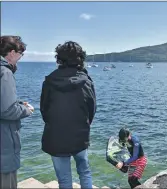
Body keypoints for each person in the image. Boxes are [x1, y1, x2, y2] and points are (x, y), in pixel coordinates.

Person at [40, 41, 96, 189]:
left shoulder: (50, 81)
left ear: (59, 58)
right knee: (84, 172)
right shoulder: (86, 81)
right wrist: (84, 124)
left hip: (56, 136)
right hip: (79, 135)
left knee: (64, 180)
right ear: (80, 58)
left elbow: (44, 110)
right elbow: (91, 110)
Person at [0, 36, 34, 189]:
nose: (21, 57)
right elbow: (7, 110)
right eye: (21, 53)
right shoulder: (5, 73)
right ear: (12, 53)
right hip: (4, 144)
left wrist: (18, 103)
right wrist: (25, 110)